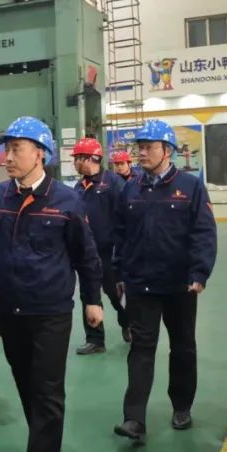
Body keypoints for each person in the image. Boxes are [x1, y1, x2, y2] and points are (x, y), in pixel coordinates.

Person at [0, 116, 104, 452]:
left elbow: (86, 255)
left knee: (47, 390)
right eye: (6, 149)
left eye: (16, 149)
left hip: (50, 312)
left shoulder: (66, 200)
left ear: (40, 153)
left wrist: (92, 300)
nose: (7, 157)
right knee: (25, 381)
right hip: (10, 310)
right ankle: (42, 443)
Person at [111, 119, 218, 446]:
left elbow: (204, 231)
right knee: (141, 349)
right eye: (140, 147)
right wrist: (118, 274)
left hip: (179, 285)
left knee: (182, 346)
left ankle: (182, 405)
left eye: (148, 147)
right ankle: (134, 419)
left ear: (167, 150)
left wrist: (199, 273)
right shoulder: (131, 188)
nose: (141, 153)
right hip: (141, 284)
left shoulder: (190, 186)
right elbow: (120, 234)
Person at [72, 137, 129, 355]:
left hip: (109, 253)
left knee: (115, 295)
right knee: (89, 295)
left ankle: (128, 323)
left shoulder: (113, 183)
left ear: (92, 158)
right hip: (87, 253)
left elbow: (125, 218)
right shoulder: (78, 187)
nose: (75, 163)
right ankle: (95, 339)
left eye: (78, 158)